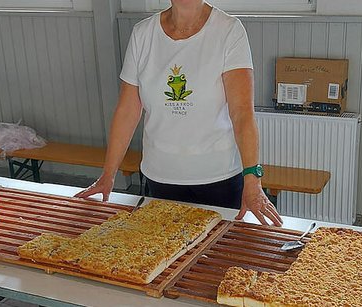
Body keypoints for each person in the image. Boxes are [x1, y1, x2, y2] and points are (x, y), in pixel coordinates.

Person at [75, 0, 283, 227]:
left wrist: (252, 178)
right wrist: (108, 174)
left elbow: (242, 113)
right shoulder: (143, 34)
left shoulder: (229, 30)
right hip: (159, 179)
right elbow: (127, 110)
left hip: (219, 180)